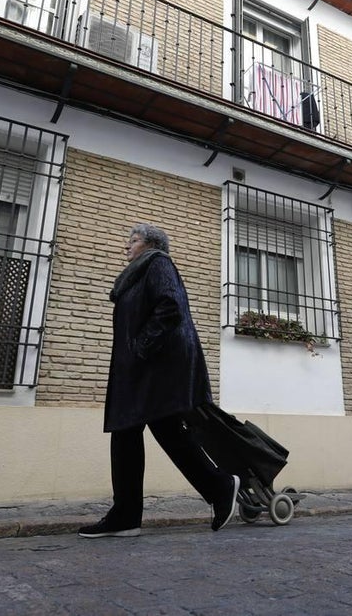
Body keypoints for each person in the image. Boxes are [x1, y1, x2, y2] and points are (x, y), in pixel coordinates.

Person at [78, 223, 240, 538]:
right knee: (156, 431)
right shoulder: (136, 275)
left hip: (155, 366)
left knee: (133, 430)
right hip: (142, 367)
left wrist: (141, 347)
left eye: (133, 240)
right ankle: (216, 488)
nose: (126, 246)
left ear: (151, 244)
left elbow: (170, 306)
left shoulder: (157, 263)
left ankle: (128, 515)